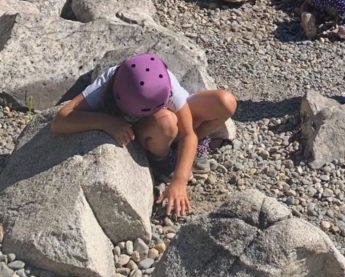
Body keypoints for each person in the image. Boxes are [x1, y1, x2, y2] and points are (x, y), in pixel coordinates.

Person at [52, 53, 237, 217]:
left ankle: (191, 147)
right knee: (166, 122)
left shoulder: (163, 80)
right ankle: (163, 160)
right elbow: (61, 120)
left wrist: (179, 181)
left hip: (168, 118)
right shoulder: (107, 84)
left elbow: (188, 134)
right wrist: (105, 121)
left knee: (225, 102)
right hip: (149, 129)